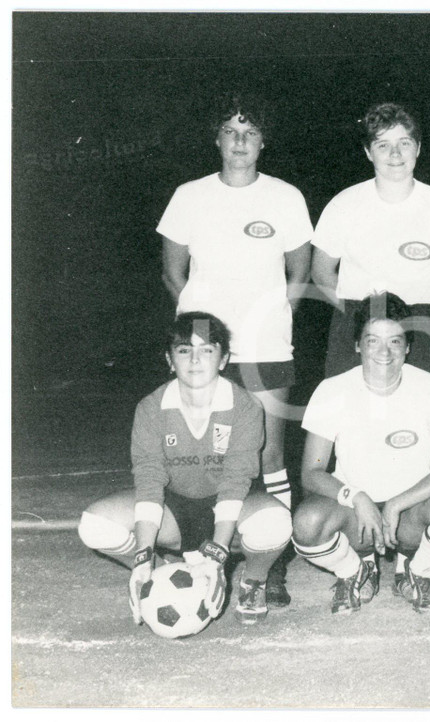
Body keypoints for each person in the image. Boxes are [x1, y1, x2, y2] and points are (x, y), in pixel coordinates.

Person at [158, 92, 312, 606]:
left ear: (263, 141)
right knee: (206, 445)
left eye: (250, 133)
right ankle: (202, 549)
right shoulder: (189, 195)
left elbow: (299, 273)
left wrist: (265, 320)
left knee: (268, 450)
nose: (240, 141)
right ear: (217, 139)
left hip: (266, 345)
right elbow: (172, 272)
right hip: (204, 346)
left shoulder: (286, 196)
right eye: (231, 131)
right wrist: (203, 332)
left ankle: (272, 565)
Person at [77, 312, 292, 626]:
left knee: (276, 521)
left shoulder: (246, 406)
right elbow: (150, 482)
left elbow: (236, 481)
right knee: (94, 525)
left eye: (206, 350)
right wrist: (141, 556)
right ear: (169, 359)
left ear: (223, 359)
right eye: (183, 351)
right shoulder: (151, 408)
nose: (195, 360)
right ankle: (157, 568)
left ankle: (253, 582)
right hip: (173, 510)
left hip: (228, 506)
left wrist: (218, 553)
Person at [291, 293, 430, 615]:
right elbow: (311, 471)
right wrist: (357, 497)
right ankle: (355, 570)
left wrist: (397, 503)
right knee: (307, 523)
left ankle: (418, 572)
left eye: (395, 341)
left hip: (411, 512)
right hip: (356, 516)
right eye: (373, 340)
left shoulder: (429, 386)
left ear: (408, 347)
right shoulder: (332, 390)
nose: (384, 352)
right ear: (358, 345)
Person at [311, 102, 430, 384]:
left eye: (404, 142)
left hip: (424, 325)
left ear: (418, 148)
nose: (395, 154)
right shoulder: (344, 204)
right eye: (383, 145)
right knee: (349, 418)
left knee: (426, 418)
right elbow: (321, 271)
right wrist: (358, 317)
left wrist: (422, 317)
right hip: (357, 322)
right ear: (368, 152)